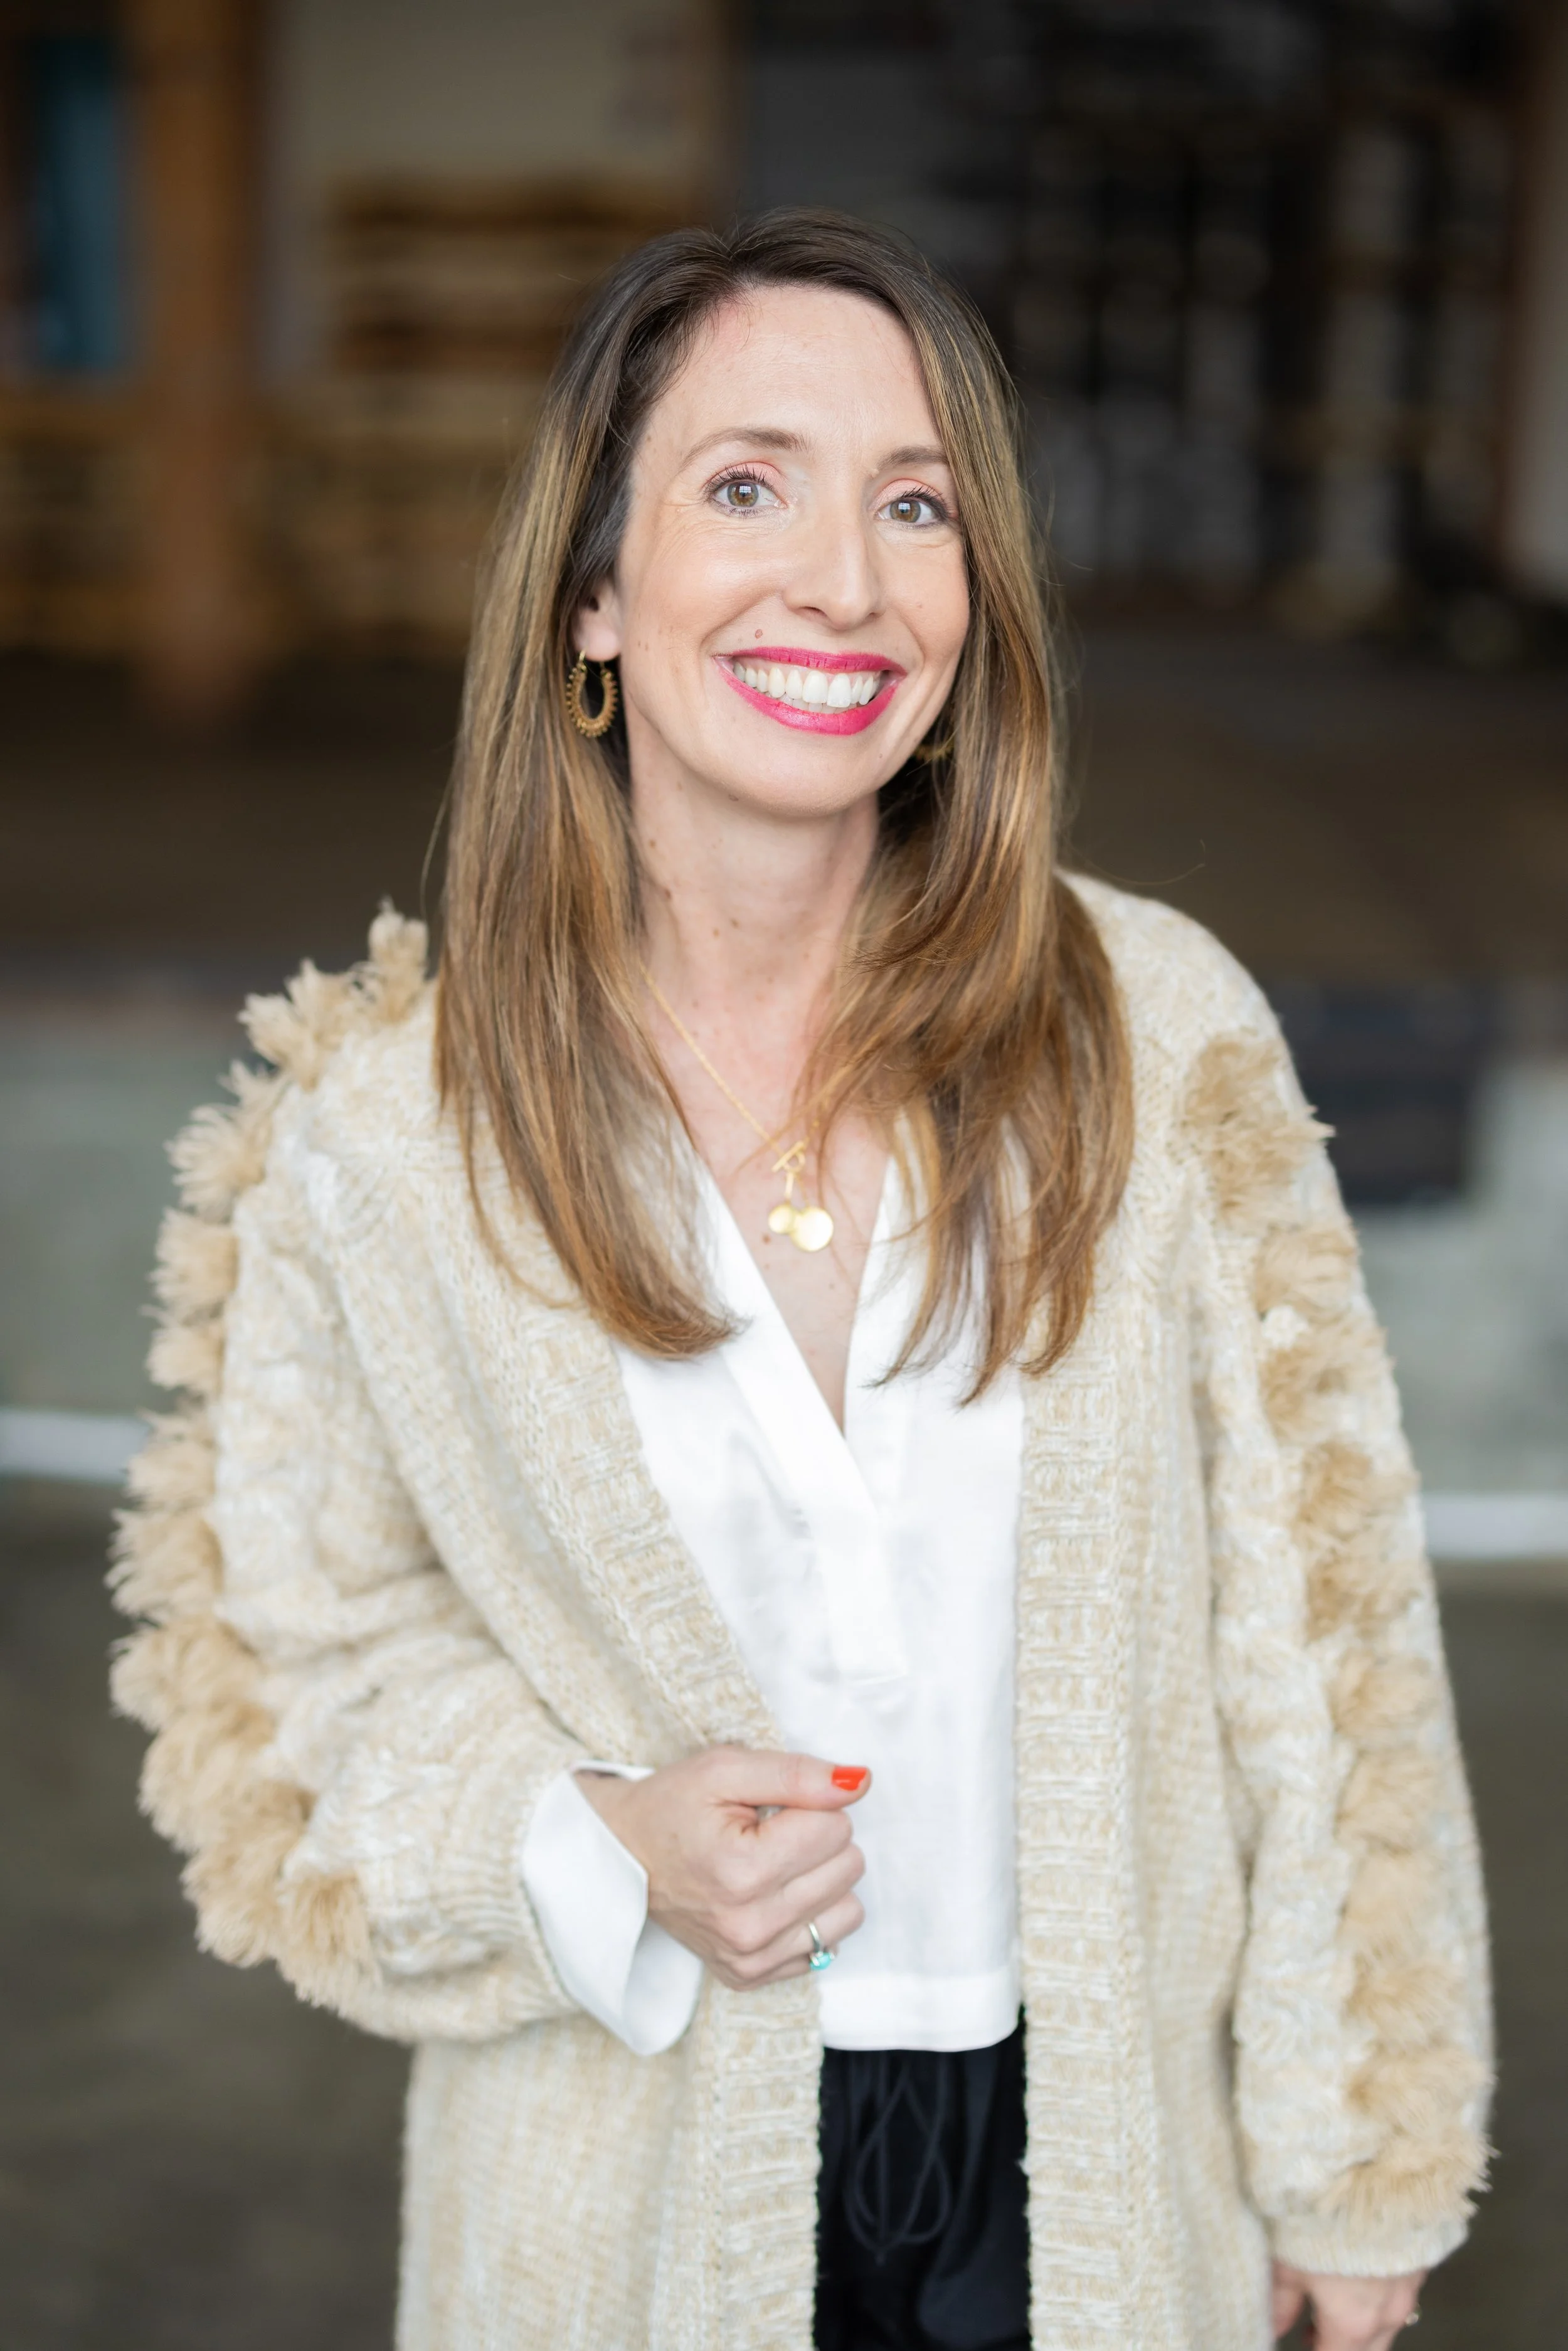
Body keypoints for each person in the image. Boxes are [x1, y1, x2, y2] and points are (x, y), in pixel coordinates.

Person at [113, 211, 1490, 2351]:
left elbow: (1324, 1643)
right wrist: (590, 1838)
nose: (842, 578)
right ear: (592, 596)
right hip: (618, 2203)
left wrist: (1362, 2154)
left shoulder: (1159, 1031)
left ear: (975, 598)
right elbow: (282, 1699)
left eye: (915, 504)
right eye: (745, 484)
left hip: (1107, 2186)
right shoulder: (383, 1126)